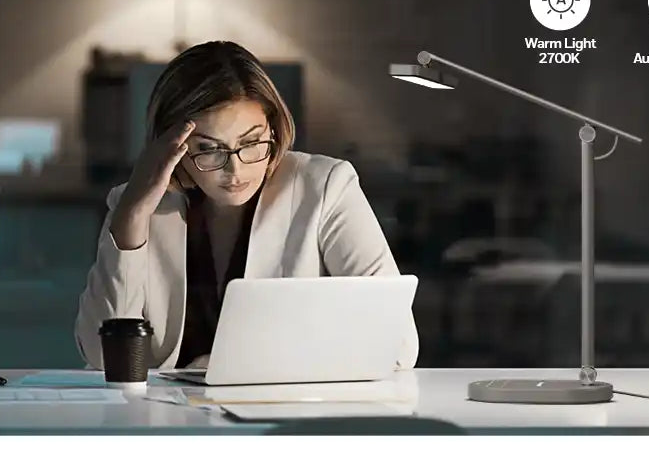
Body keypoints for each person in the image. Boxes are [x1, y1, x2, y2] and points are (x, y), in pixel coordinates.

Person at [74, 41, 419, 371]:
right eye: (209, 148)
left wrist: (247, 367)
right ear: (171, 147)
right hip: (169, 421)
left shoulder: (325, 186)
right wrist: (134, 213)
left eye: (252, 142)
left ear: (274, 128)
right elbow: (101, 356)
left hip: (288, 414)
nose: (235, 169)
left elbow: (398, 345)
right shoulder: (137, 203)